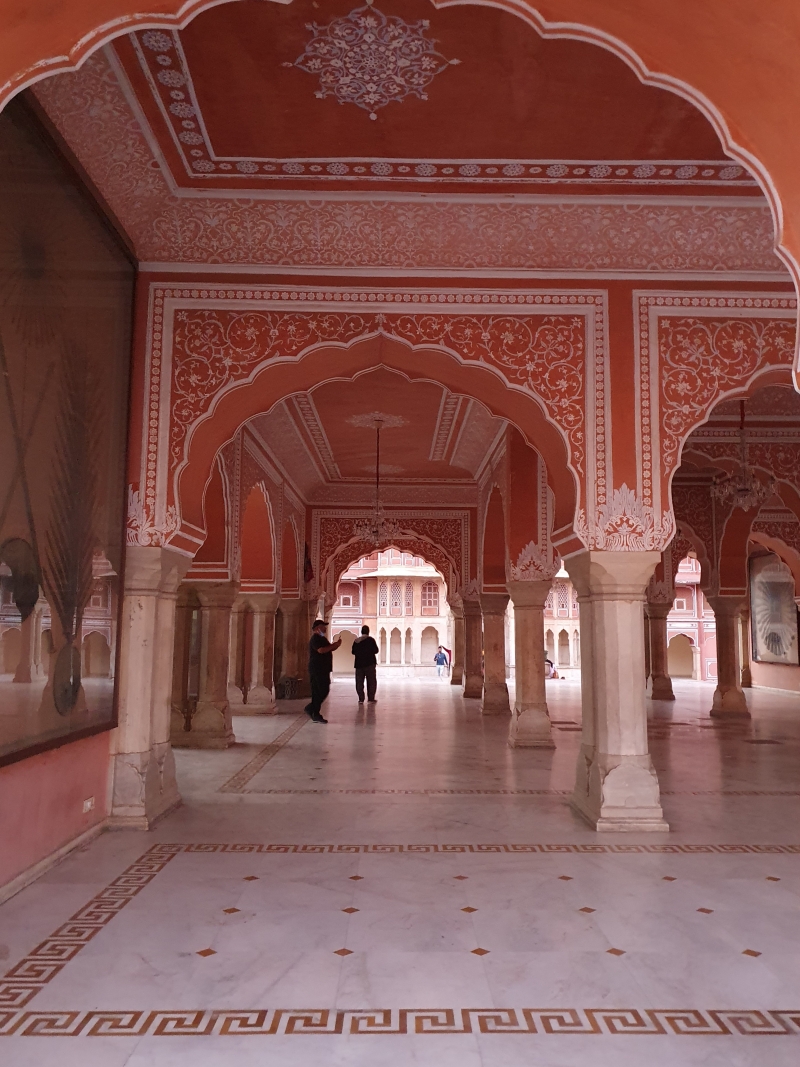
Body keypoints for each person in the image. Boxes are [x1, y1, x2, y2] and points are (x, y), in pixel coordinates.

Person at [305, 619, 341, 723]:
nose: (325, 628)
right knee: (319, 691)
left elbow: (328, 648)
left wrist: (336, 645)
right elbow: (321, 650)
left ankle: (312, 709)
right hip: (317, 669)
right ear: (317, 628)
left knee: (323, 690)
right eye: (323, 626)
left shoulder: (322, 638)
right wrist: (334, 645)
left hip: (323, 669)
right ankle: (313, 711)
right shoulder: (315, 639)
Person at [352, 624, 379, 704]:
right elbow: (376, 650)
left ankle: (361, 699)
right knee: (371, 681)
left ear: (361, 632)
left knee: (359, 682)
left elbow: (353, 652)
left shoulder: (356, 641)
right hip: (370, 664)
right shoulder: (371, 640)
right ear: (368, 632)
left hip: (359, 665)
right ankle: (371, 699)